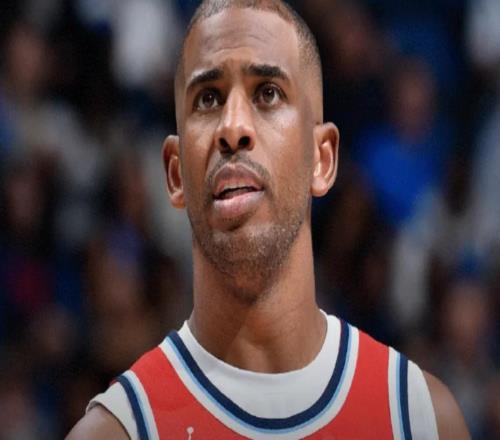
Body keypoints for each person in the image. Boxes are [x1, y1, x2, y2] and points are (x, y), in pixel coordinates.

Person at [68, 1, 470, 438]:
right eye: (208, 98)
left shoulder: (419, 417)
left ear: (322, 159)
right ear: (175, 173)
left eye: (268, 93)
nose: (233, 127)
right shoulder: (116, 431)